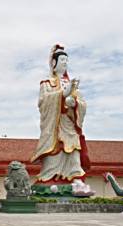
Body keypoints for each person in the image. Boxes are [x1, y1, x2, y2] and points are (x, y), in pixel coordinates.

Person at [31, 44, 90, 183]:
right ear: (54, 63)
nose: (65, 63)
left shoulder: (71, 83)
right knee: (55, 150)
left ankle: (75, 176)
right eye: (62, 60)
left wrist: (75, 104)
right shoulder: (46, 83)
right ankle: (50, 175)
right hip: (54, 125)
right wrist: (63, 94)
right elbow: (43, 102)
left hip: (69, 123)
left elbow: (82, 103)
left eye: (66, 60)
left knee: (73, 147)